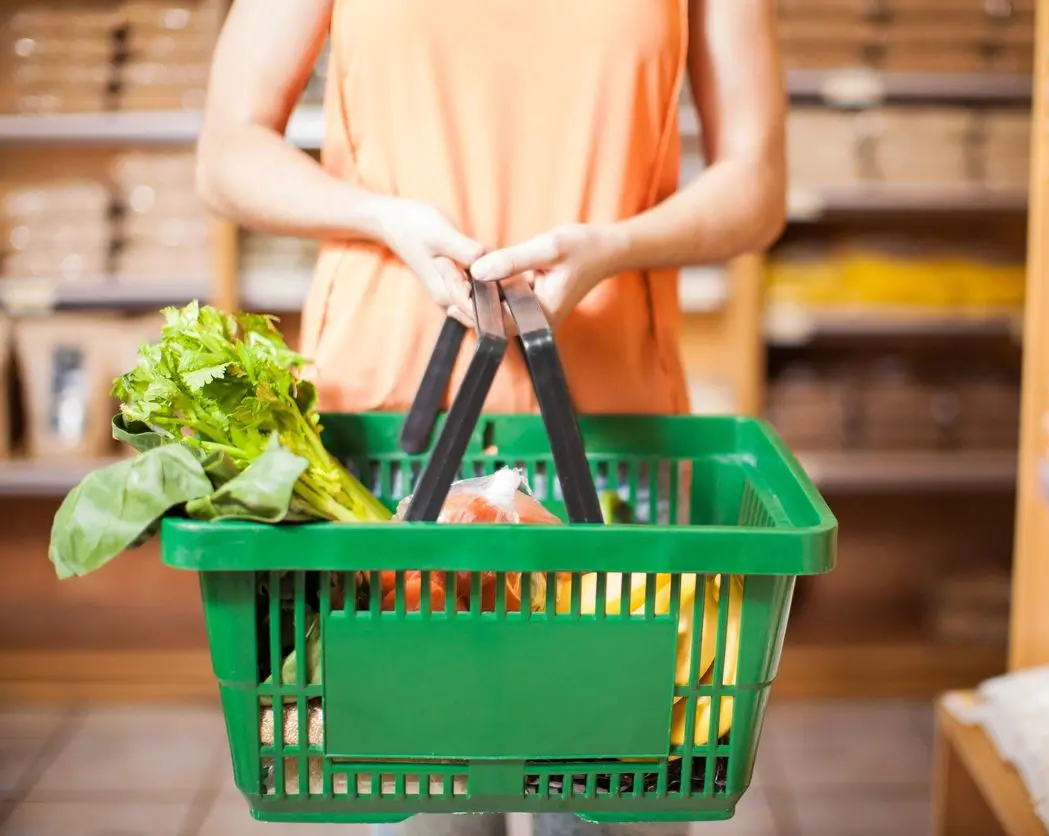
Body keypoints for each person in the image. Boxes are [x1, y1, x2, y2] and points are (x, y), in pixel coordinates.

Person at [196, 1, 785, 834]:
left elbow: (756, 185)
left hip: (612, 452)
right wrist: (383, 216)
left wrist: (615, 244)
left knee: (611, 800)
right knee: (414, 806)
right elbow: (227, 152)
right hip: (391, 440)